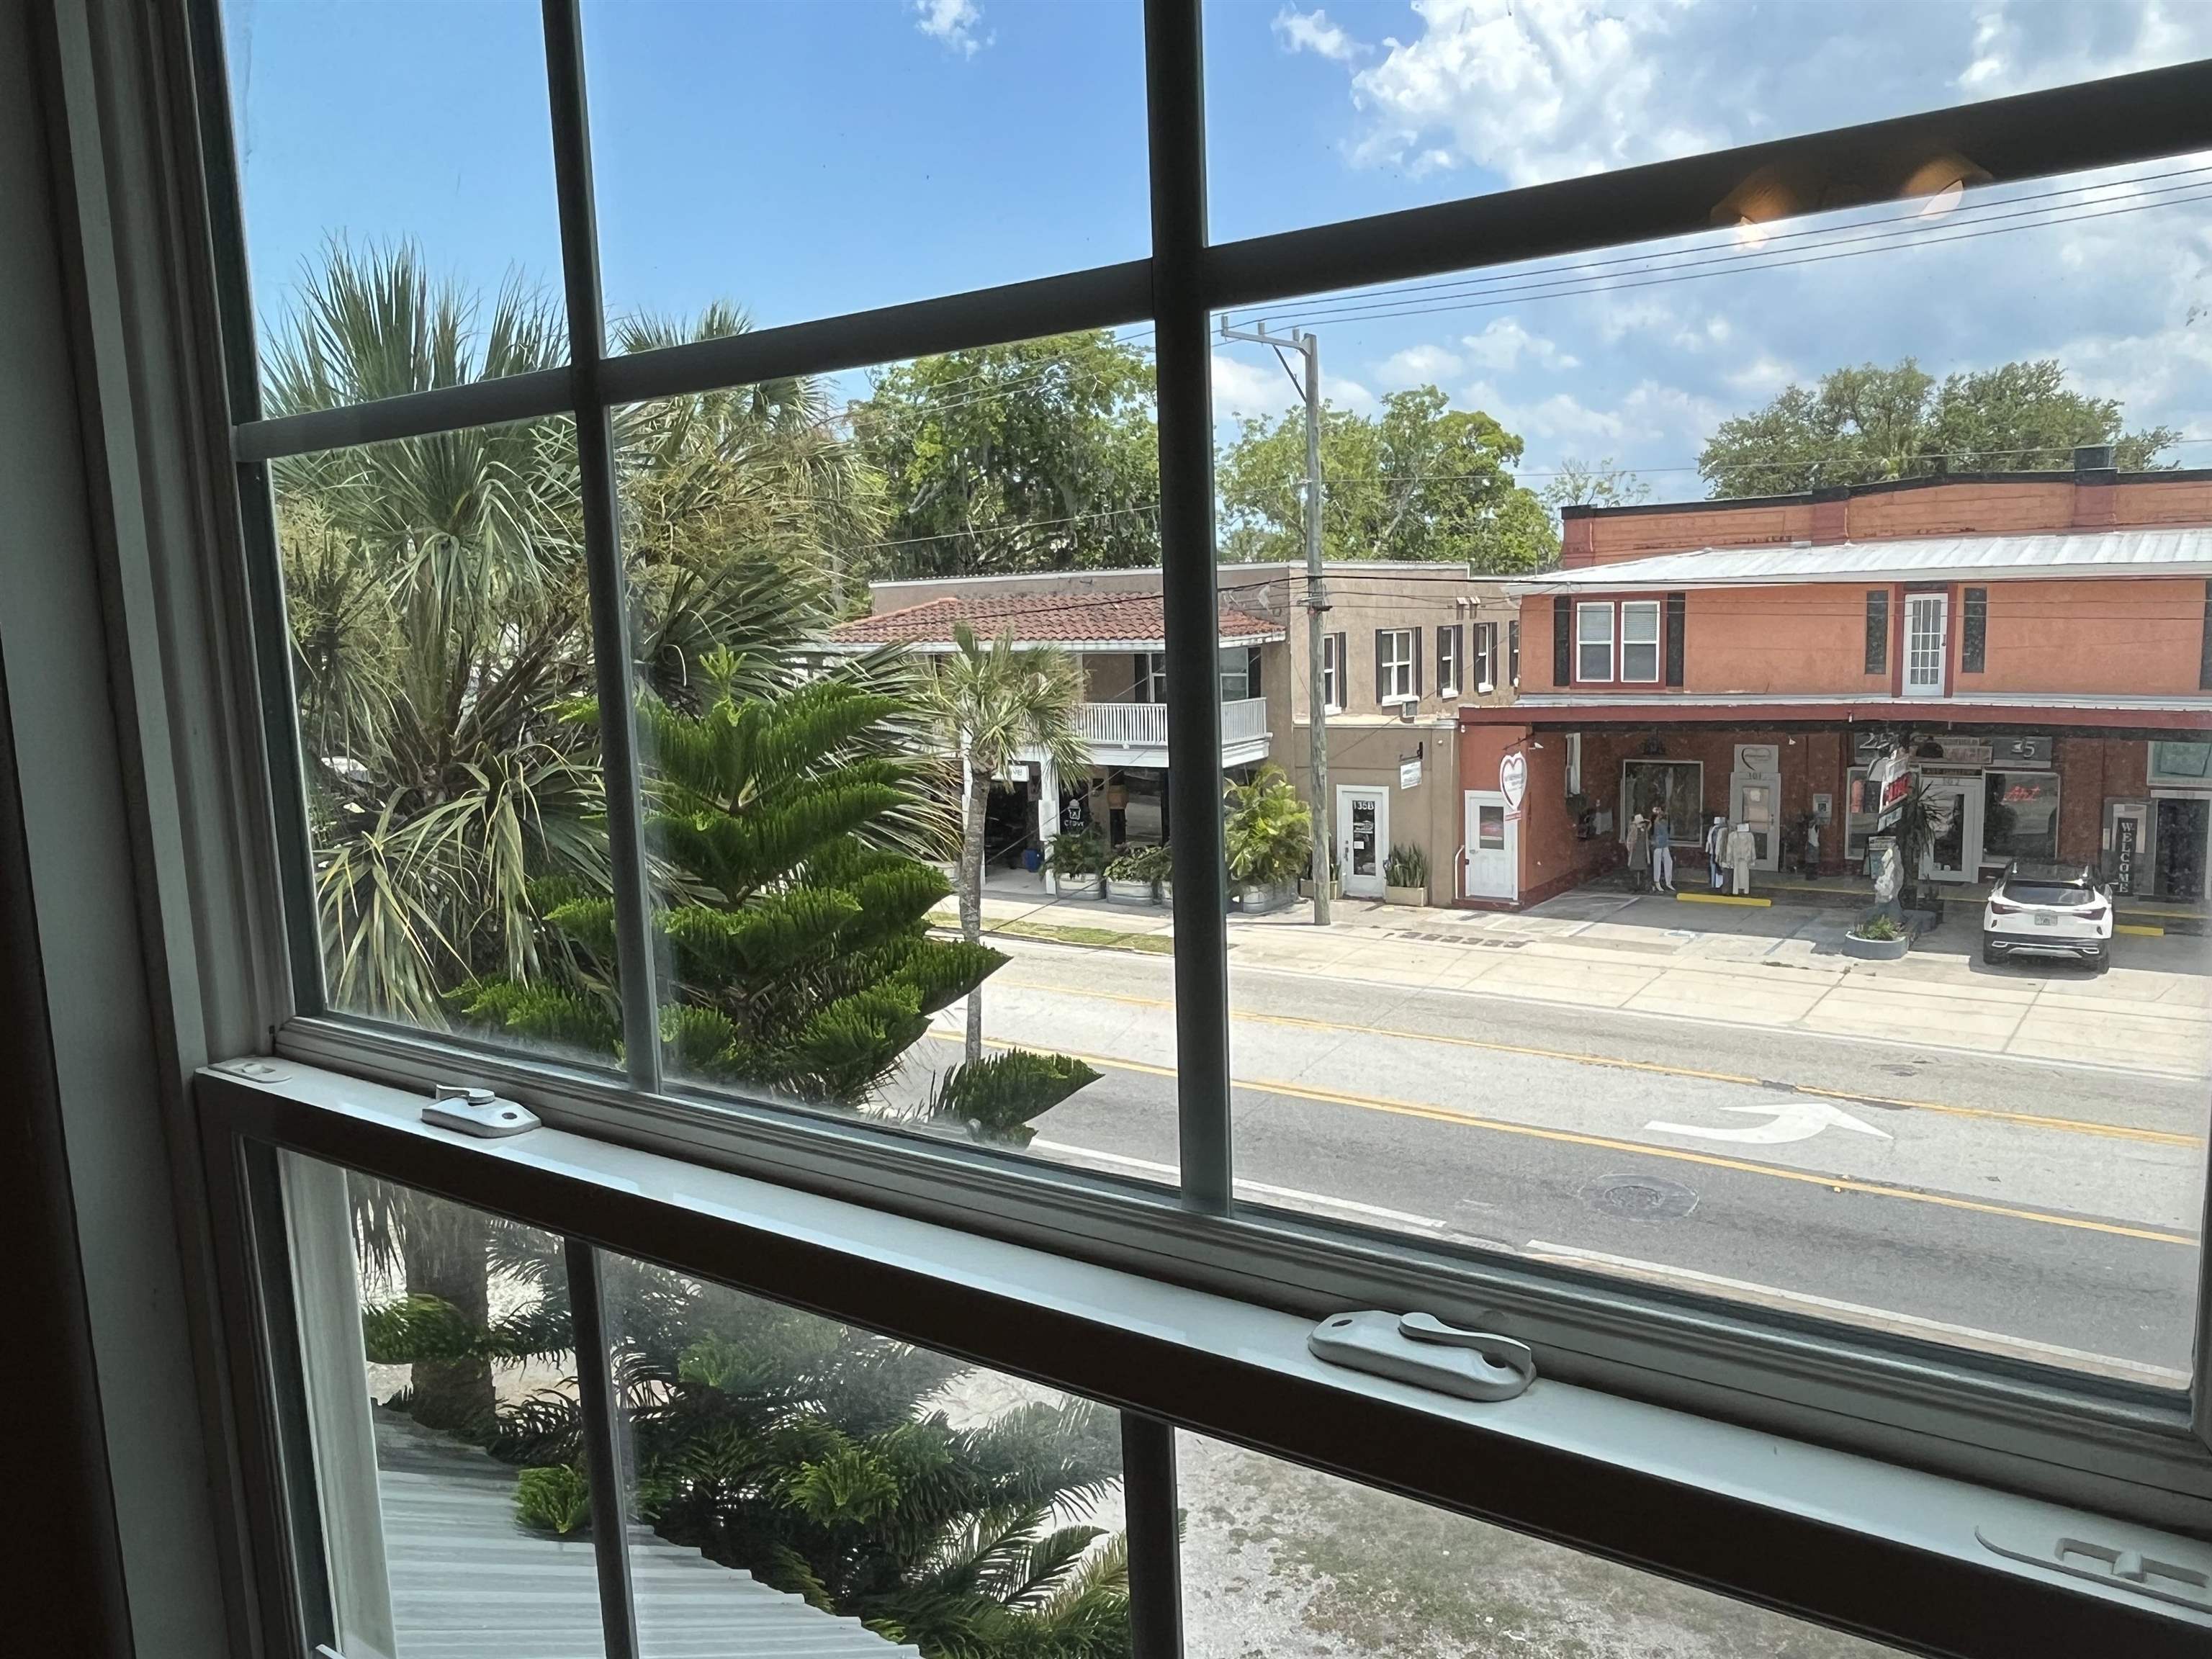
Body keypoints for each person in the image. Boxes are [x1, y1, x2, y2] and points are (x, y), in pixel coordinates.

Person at [1724, 820, 1757, 896]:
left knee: (1736, 873)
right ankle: (1746, 890)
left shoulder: (1732, 835)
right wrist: (1753, 858)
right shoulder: (1750, 836)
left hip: (1736, 856)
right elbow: (1753, 848)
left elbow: (1729, 849)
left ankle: (1736, 890)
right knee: (1746, 873)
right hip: (1747, 857)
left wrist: (1728, 860)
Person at [1649, 806, 1675, 892]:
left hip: (1664, 843)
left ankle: (1668, 882)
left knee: (1669, 862)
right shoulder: (1655, 821)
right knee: (1657, 863)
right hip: (1658, 843)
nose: (1661, 813)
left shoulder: (1664, 821)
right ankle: (1657, 881)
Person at [1624, 812, 1650, 892]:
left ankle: (1643, 887)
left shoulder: (1644, 829)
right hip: (1635, 852)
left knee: (1643, 871)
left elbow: (1650, 823)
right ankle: (1635, 887)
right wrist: (1630, 849)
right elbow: (1629, 841)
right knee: (1635, 872)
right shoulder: (1633, 829)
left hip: (1642, 852)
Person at [1705, 815, 1727, 891]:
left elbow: (1711, 841)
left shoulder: (1716, 830)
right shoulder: (1716, 830)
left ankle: (1717, 884)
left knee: (1718, 868)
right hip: (1716, 851)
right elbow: (1712, 841)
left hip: (1717, 851)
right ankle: (1717, 884)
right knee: (1717, 868)